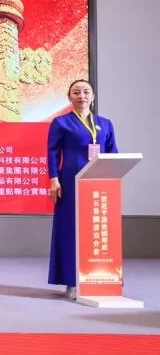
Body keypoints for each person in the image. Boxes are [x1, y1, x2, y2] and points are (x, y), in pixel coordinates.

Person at [47, 79, 117, 300]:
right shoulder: (61, 123)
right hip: (70, 183)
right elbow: (52, 152)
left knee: (98, 230)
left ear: (93, 96)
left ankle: (100, 276)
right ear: (69, 97)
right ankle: (71, 280)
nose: (82, 96)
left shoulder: (105, 124)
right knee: (71, 230)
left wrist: (113, 176)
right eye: (76, 92)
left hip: (99, 184)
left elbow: (113, 153)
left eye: (86, 92)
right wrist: (53, 179)